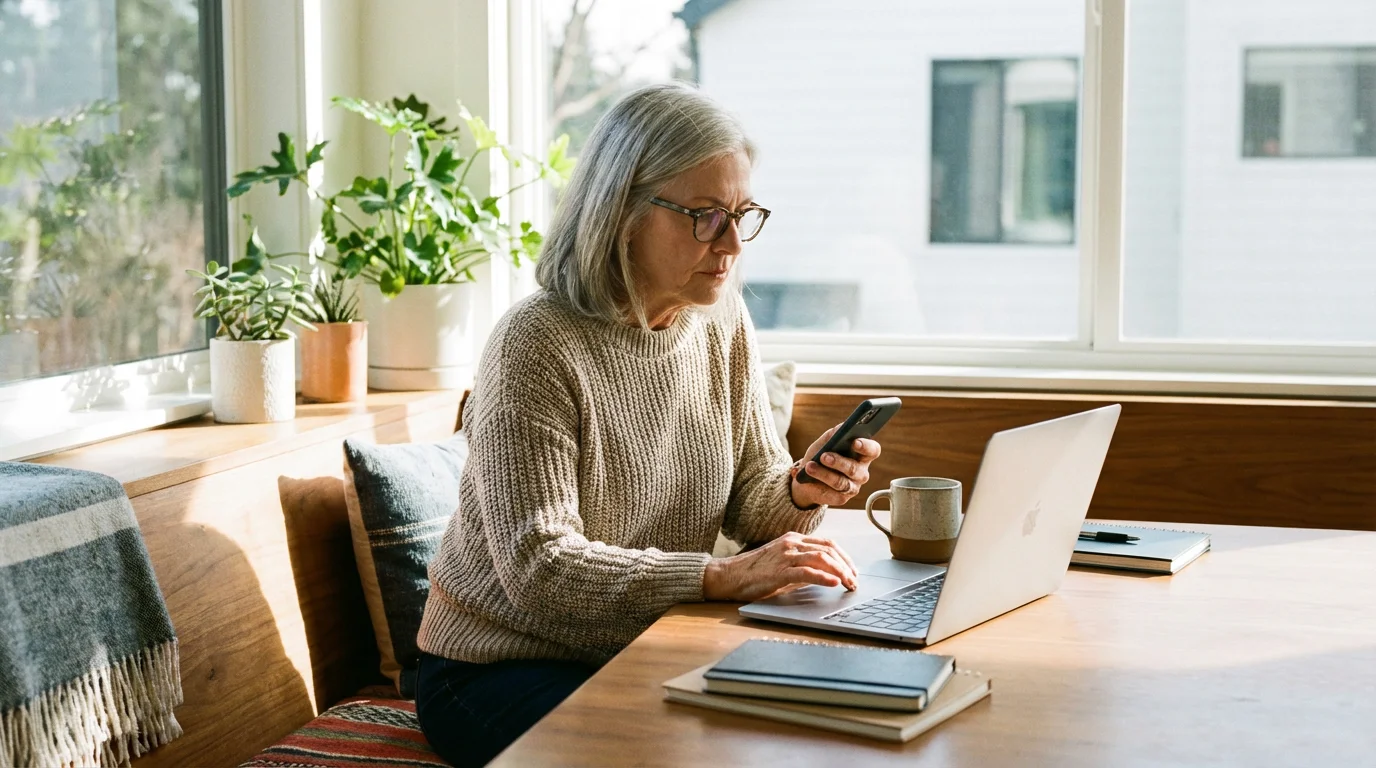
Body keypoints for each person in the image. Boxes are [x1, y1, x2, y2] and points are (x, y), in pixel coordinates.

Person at [414, 83, 881, 767]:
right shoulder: (536, 343)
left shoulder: (719, 319)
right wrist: (722, 577)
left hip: (648, 641)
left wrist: (803, 490)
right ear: (623, 213)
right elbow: (539, 568)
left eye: (741, 214)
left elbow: (752, 497)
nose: (730, 245)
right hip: (496, 666)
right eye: (704, 216)